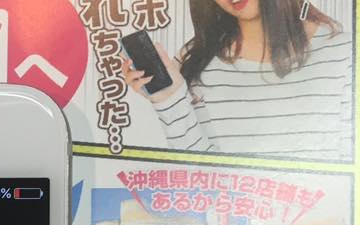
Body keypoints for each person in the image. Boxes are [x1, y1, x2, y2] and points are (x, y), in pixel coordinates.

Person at [123, 0, 351, 161]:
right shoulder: (196, 60)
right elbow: (200, 176)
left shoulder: (344, 52)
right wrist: (168, 98)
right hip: (231, 215)